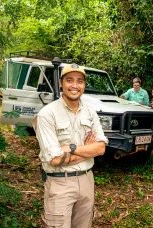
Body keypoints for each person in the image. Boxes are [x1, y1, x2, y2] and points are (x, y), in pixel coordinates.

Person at [34, 63, 108, 228]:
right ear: (61, 83)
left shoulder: (90, 112)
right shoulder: (47, 115)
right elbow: (54, 159)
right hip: (60, 183)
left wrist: (72, 148)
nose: (75, 85)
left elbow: (101, 148)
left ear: (84, 85)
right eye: (69, 80)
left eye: (80, 81)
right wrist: (89, 151)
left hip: (87, 180)